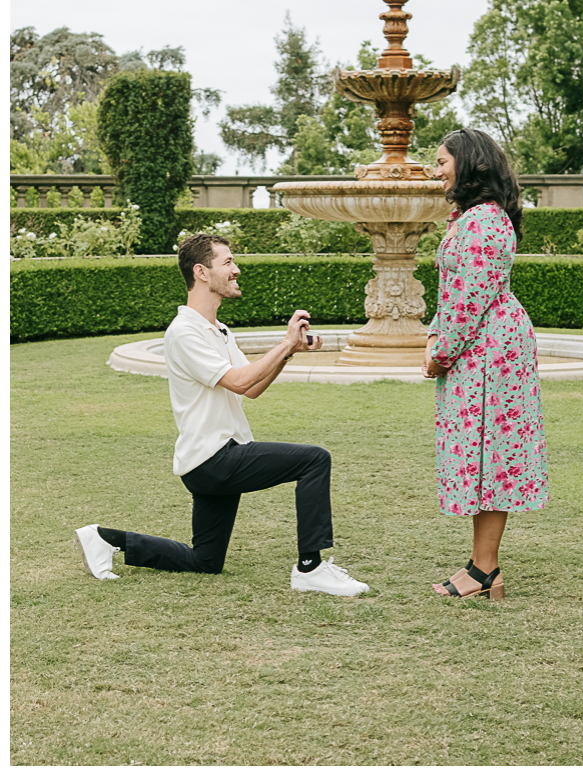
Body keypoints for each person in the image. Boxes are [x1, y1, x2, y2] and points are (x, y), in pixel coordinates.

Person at [75, 232, 369, 597]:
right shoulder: (184, 332)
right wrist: (285, 343)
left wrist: (289, 350)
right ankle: (310, 568)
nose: (236, 269)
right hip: (214, 458)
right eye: (227, 262)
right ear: (201, 272)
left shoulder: (217, 330)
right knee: (313, 460)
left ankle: (105, 539)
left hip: (210, 460)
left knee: (205, 561)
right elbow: (239, 380)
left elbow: (253, 386)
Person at [422, 129, 548, 599]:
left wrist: (441, 352)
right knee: (479, 455)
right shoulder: (469, 218)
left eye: (441, 161)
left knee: (492, 455)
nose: (436, 170)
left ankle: (485, 570)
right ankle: (480, 565)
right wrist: (436, 333)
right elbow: (452, 292)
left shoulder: (484, 222)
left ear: (469, 163)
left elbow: (474, 297)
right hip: (478, 347)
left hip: (491, 351)